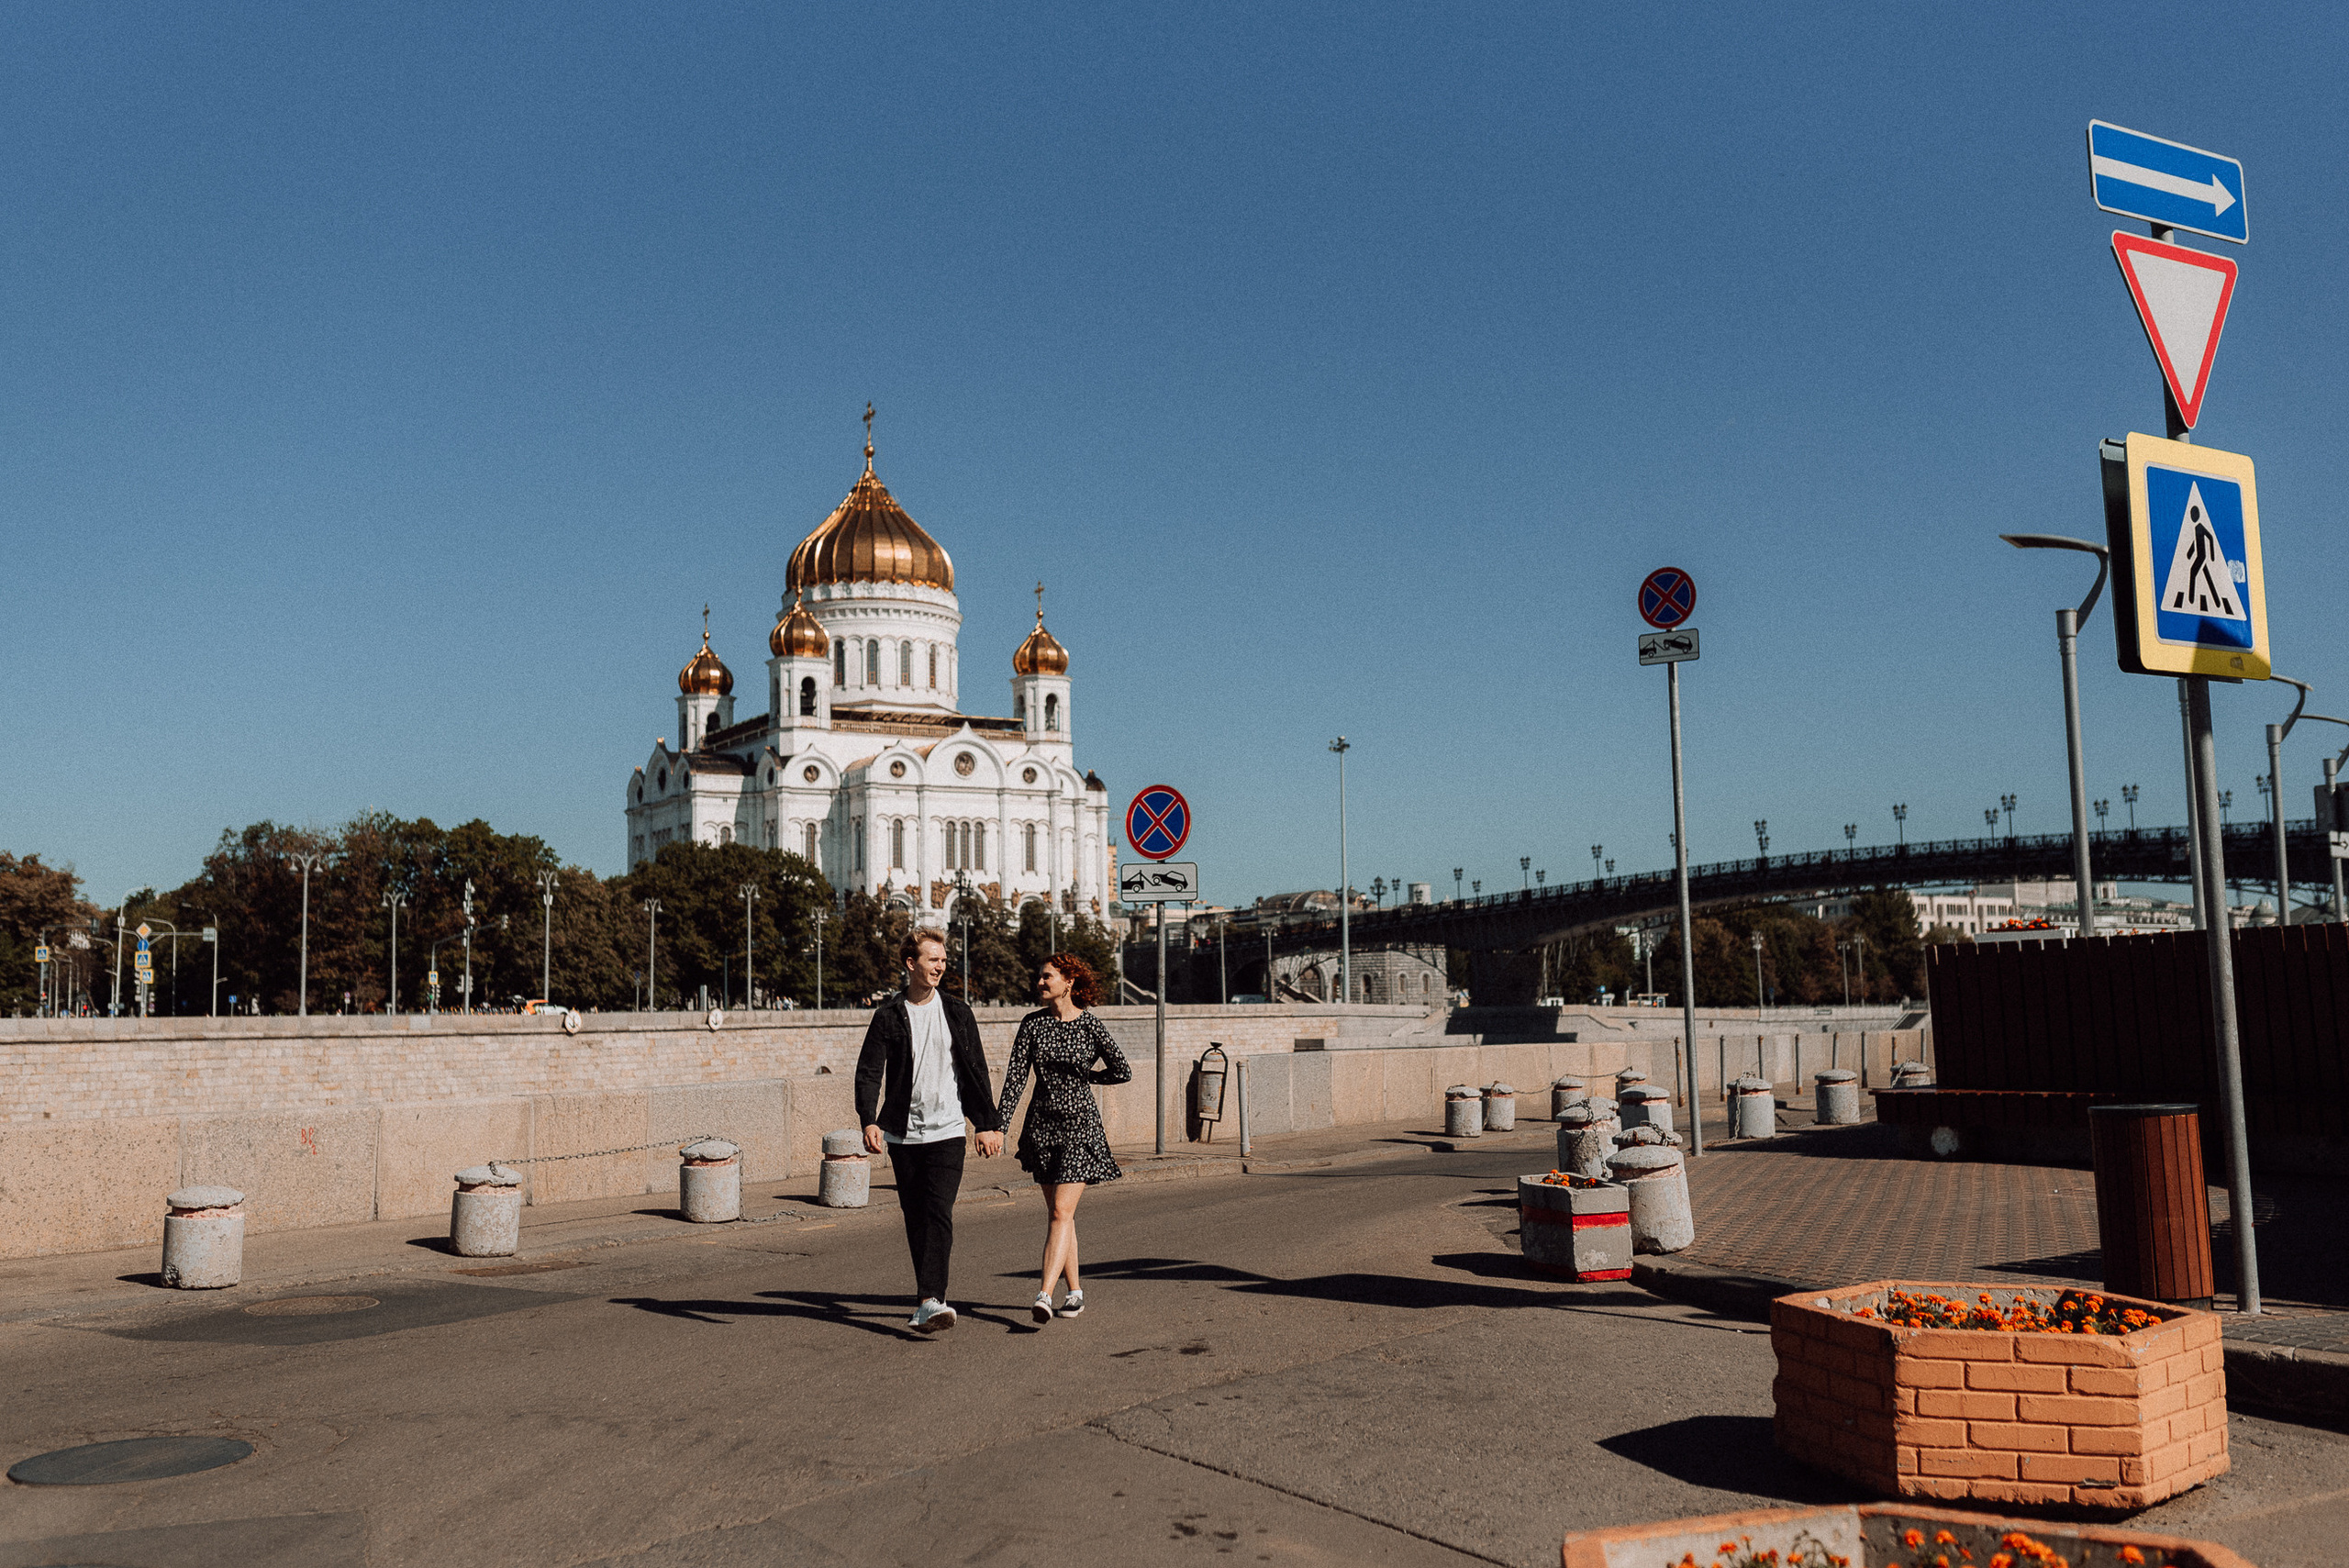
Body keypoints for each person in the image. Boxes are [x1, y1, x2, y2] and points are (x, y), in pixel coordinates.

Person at [854, 929, 1004, 1332]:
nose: (940, 966)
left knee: (938, 1212)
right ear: (911, 964)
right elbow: (869, 1071)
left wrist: (986, 1124)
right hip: (904, 1135)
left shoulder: (957, 1012)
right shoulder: (888, 1015)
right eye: (932, 959)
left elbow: (976, 1071)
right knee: (916, 1217)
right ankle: (927, 1298)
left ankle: (931, 1299)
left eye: (943, 960)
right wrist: (869, 1119)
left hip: (948, 1130)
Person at [996, 951, 1130, 1323]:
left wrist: (1089, 1078)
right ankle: (1075, 1293)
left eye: (1048, 976)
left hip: (1079, 1127)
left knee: (1060, 1212)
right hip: (1042, 1127)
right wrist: (1000, 1126)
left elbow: (1122, 1070)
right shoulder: (1032, 1024)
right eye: (1040, 976)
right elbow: (1016, 1078)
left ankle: (1044, 1294)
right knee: (1061, 1217)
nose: (1040, 982)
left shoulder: (1089, 1024)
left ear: (1069, 982)